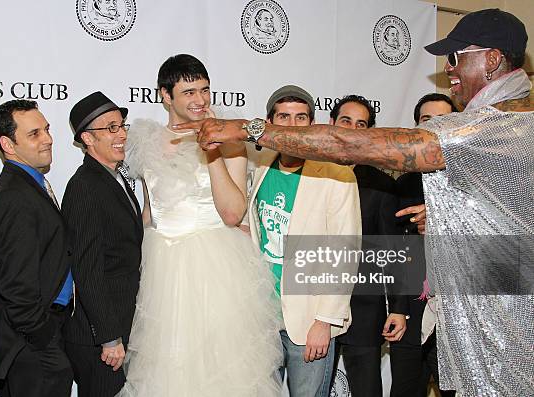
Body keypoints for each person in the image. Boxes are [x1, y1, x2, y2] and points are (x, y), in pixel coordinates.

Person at [180, 8, 533, 396]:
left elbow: (348, 148)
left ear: (493, 59)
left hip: (505, 326)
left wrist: (247, 129)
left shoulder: (496, 125)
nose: (448, 69)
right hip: (488, 311)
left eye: (455, 57)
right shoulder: (506, 121)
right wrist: (449, 219)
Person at [119, 54, 282, 396]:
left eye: (205, 90)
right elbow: (150, 211)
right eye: (189, 92)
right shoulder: (145, 141)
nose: (201, 100)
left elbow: (232, 213)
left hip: (217, 267)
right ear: (165, 95)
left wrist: (211, 150)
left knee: (224, 370)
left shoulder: (231, 137)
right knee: (170, 368)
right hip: (163, 269)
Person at [246, 86, 361, 396]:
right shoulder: (260, 165)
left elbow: (345, 251)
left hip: (309, 320)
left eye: (301, 118)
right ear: (269, 123)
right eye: (284, 117)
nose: (293, 127)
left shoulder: (336, 174)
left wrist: (325, 321)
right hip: (264, 319)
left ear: (312, 124)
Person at [0, 100, 73, 397]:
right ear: (8, 144)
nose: (48, 139)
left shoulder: (29, 185)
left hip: (39, 338)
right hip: (30, 346)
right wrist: (43, 338)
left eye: (46, 129)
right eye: (34, 134)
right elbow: (16, 284)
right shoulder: (14, 197)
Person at [62, 92, 143, 397]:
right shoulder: (84, 186)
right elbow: (87, 269)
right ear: (87, 138)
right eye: (111, 128)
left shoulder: (114, 176)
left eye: (122, 125)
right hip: (100, 340)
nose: (121, 134)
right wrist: (109, 337)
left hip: (123, 326)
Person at [328, 95, 408, 397]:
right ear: (332, 124)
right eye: (345, 121)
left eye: (360, 124)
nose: (351, 128)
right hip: (312, 307)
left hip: (363, 309)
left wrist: (399, 309)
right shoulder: (309, 174)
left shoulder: (381, 184)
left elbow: (393, 250)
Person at [391, 93, 458, 397]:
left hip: (458, 315)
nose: (434, 127)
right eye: (426, 120)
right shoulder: (404, 184)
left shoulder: (470, 180)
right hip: (411, 312)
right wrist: (399, 309)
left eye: (443, 120)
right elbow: (396, 252)